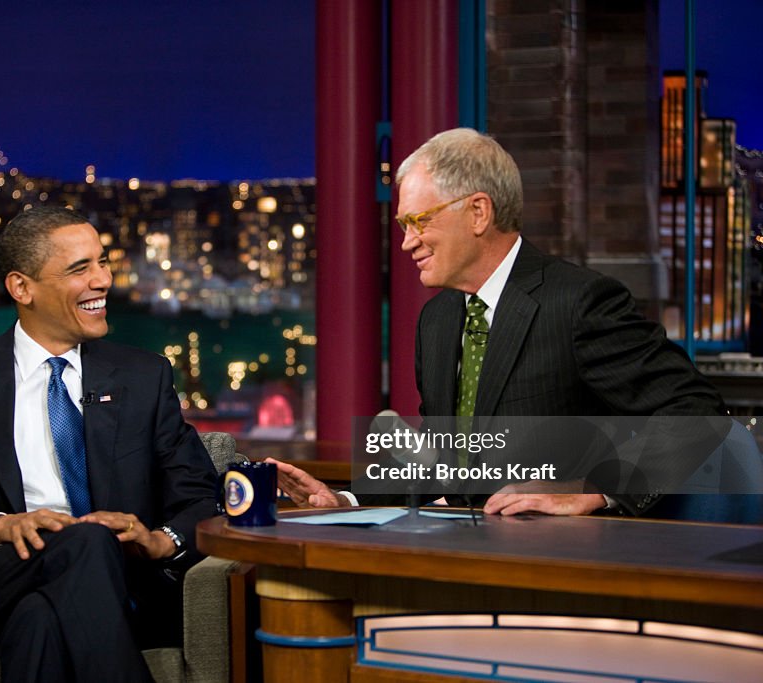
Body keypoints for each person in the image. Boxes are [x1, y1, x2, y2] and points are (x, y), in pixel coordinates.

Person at [272, 127, 726, 518]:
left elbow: (696, 413)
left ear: (478, 212)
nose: (407, 242)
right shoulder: (438, 319)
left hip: (552, 562)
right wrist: (346, 500)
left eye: (417, 221)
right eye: (401, 225)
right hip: (458, 548)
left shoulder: (579, 302)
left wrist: (594, 488)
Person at [0, 206, 219, 682]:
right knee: (82, 540)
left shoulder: (144, 377)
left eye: (102, 262)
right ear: (22, 288)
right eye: (81, 269)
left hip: (121, 585)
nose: (103, 280)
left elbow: (200, 496)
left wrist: (162, 541)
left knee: (39, 620)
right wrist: (0, 527)